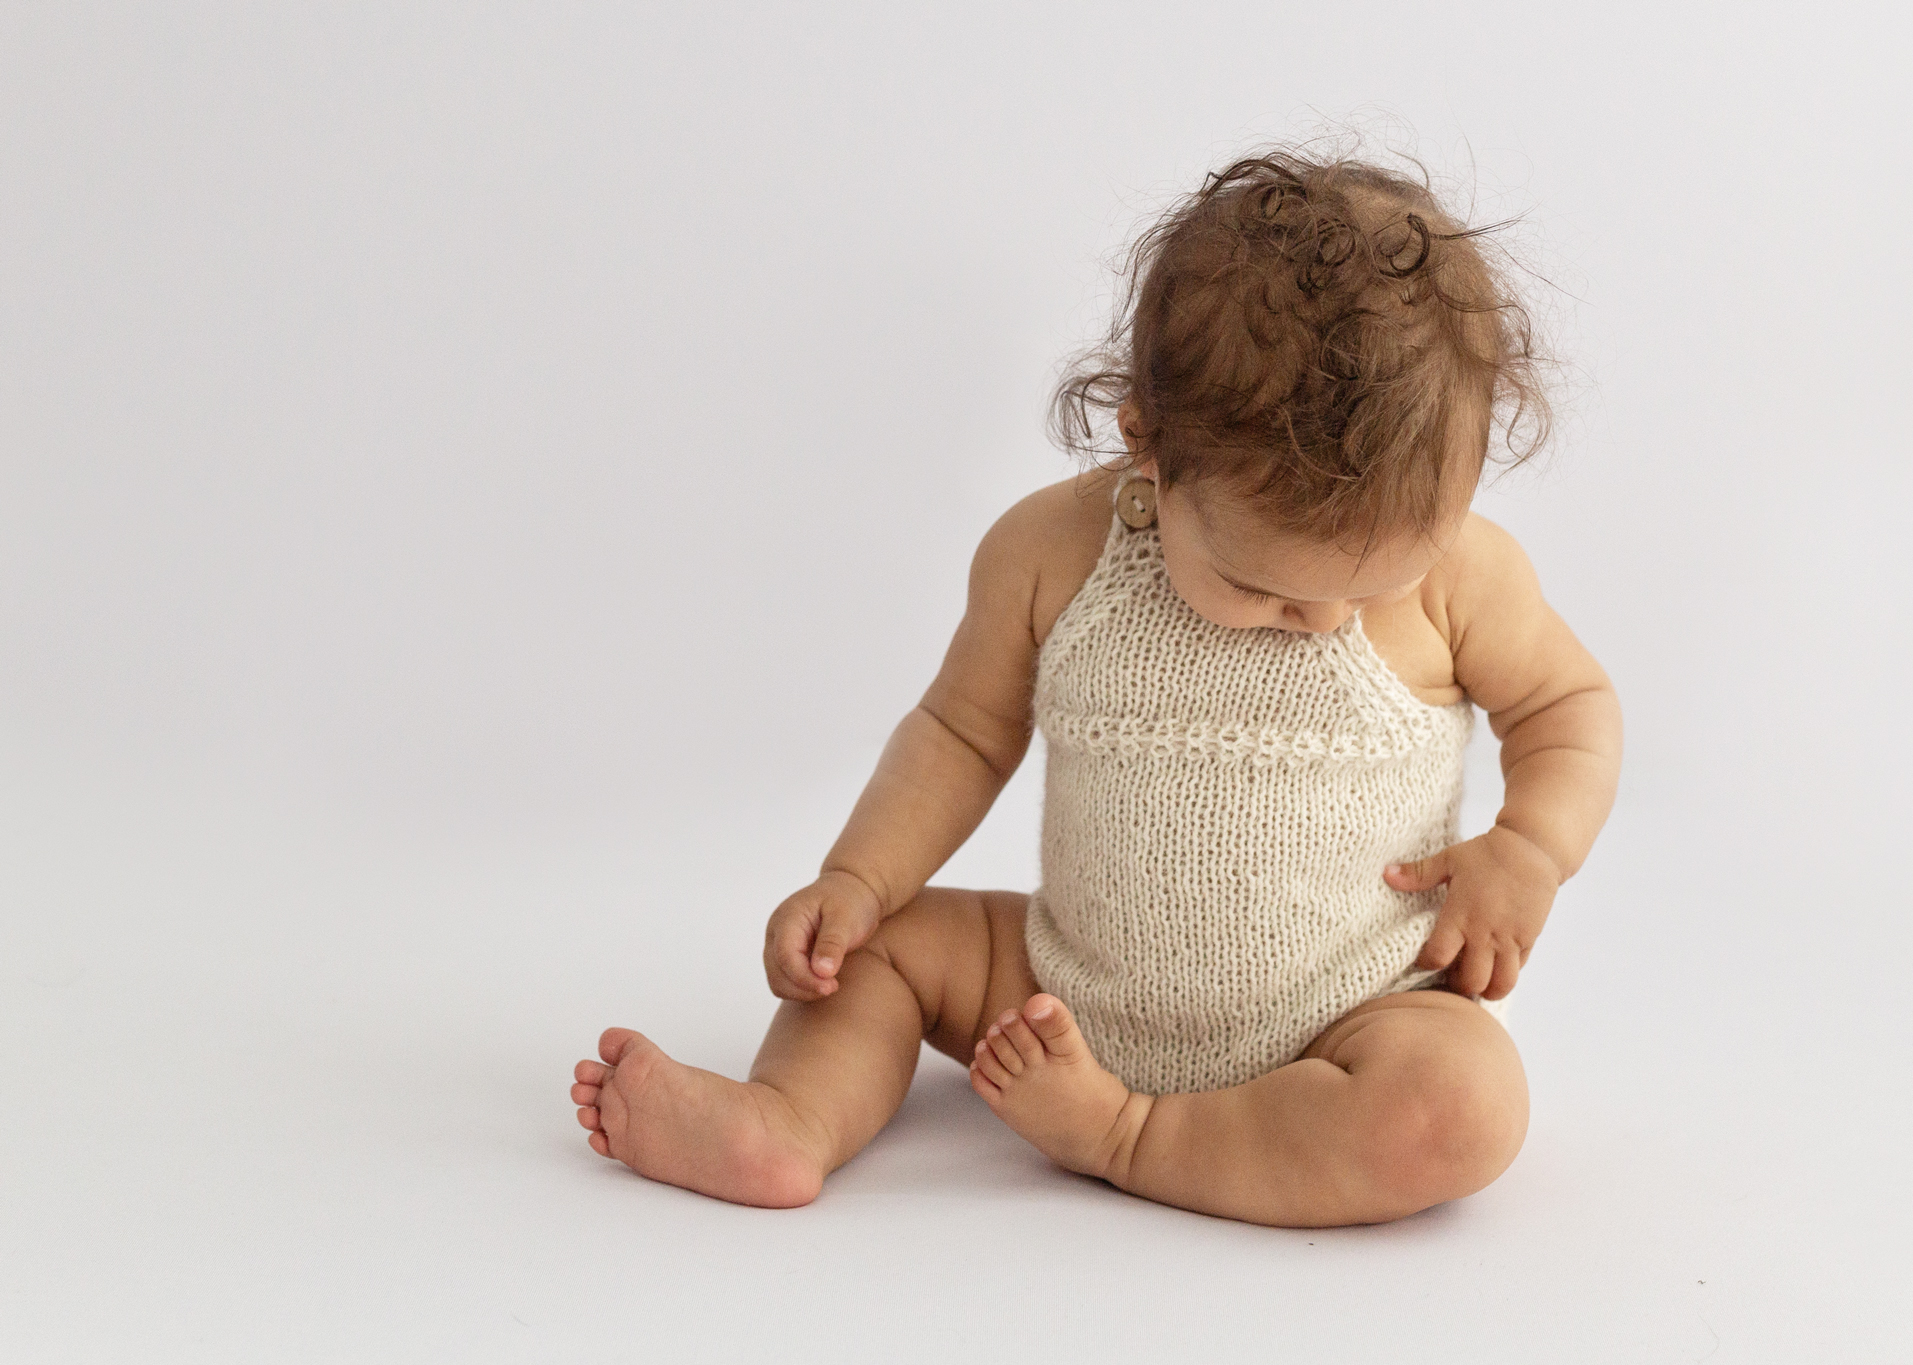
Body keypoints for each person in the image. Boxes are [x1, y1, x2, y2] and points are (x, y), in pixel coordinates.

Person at [568, 145, 1623, 1228]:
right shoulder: (1048, 554)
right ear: (1149, 447)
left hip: (1350, 1009)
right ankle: (787, 1120)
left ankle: (1128, 1136)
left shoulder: (1464, 578)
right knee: (873, 953)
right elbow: (959, 733)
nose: (1320, 620)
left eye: (1372, 585)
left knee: (1459, 1108)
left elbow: (1566, 710)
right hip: (1059, 984)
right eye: (1261, 586)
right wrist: (857, 878)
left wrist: (1529, 848)